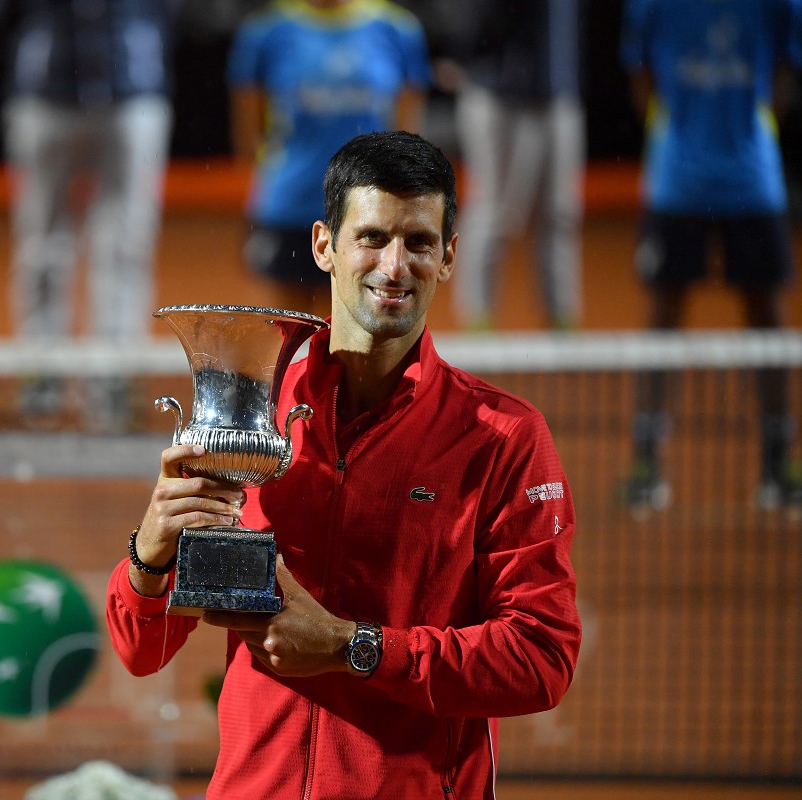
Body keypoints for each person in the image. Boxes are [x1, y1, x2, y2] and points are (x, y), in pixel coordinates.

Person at [107, 131, 581, 798]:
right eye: (372, 237)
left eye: (418, 242)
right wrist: (153, 553)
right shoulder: (250, 419)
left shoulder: (501, 438)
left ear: (447, 257)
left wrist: (350, 646)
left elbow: (541, 659)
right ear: (324, 246)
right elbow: (141, 650)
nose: (394, 266)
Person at [619, 0, 802, 511]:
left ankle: (777, 463)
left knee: (767, 319)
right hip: (677, 182)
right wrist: (682, 136)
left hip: (752, 180)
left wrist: (742, 131)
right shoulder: (652, 5)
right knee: (664, 317)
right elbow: (641, 75)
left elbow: (784, 72)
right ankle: (646, 463)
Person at [1, 0, 180, 429]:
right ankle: (42, 374)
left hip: (132, 84)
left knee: (125, 245)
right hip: (45, 86)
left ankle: (113, 379)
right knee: (41, 245)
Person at [227, 0, 432, 318]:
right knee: (285, 347)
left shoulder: (397, 29)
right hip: (290, 211)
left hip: (369, 215)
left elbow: (406, 140)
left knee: (357, 346)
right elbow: (247, 138)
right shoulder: (265, 31)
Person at [445, 0, 585, 332]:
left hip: (559, 93)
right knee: (494, 212)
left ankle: (563, 323)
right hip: (498, 96)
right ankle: (477, 325)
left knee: (562, 212)